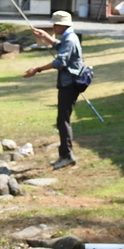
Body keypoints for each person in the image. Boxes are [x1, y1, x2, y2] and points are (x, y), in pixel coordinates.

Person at [24, 11, 86, 170]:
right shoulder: (68, 37)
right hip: (67, 83)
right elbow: (59, 46)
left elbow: (60, 62)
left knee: (63, 120)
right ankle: (63, 155)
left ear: (61, 25)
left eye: (55, 24)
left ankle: (68, 156)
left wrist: (37, 69)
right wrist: (45, 36)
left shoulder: (70, 39)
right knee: (61, 120)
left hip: (69, 84)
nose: (53, 27)